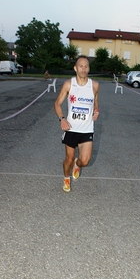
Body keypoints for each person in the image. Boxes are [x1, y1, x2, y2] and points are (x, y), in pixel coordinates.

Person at [54, 55, 100, 192]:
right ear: (75, 68)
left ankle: (77, 164)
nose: (83, 69)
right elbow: (57, 104)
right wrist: (62, 119)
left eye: (86, 66)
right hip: (71, 129)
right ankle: (66, 178)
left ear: (89, 68)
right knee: (68, 158)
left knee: (84, 161)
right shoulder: (69, 84)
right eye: (81, 66)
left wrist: (96, 112)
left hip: (87, 129)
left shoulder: (95, 85)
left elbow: (96, 102)